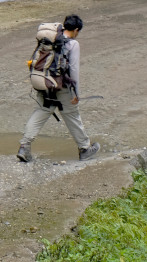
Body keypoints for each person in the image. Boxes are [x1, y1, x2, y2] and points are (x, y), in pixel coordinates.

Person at [16, 14, 100, 163]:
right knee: (72, 115)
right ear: (76, 30)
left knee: (41, 111)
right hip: (61, 86)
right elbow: (73, 71)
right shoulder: (73, 44)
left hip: (45, 82)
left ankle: (24, 146)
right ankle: (85, 149)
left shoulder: (50, 41)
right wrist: (76, 93)